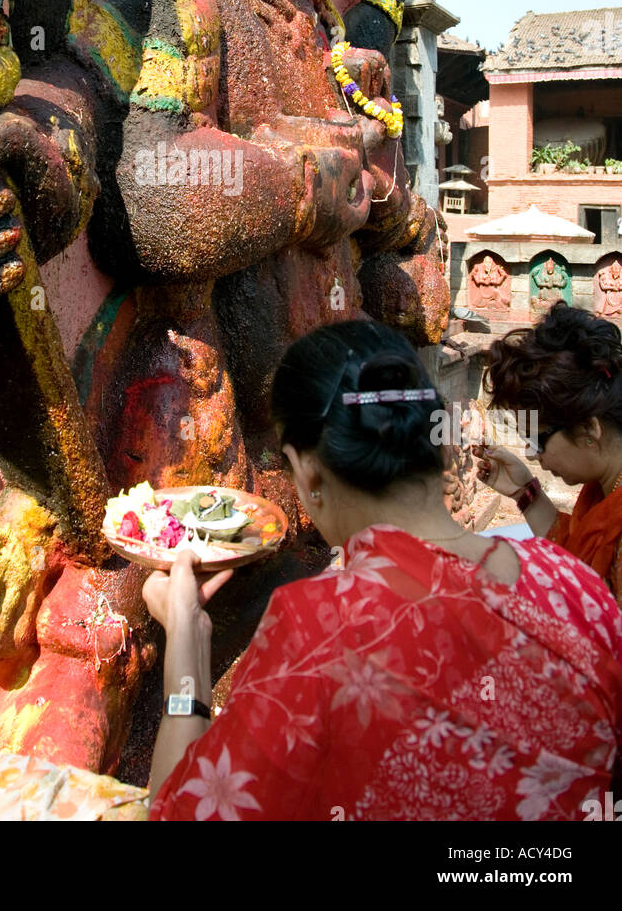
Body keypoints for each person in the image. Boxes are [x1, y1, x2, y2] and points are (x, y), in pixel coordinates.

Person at [143, 320, 622, 821]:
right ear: (437, 445)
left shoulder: (316, 628)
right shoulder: (576, 583)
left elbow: (179, 811)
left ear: (306, 471)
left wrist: (187, 647)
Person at [474, 303, 622, 606]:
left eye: (538, 440)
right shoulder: (604, 492)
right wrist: (525, 491)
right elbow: (574, 553)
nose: (532, 455)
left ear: (588, 430)